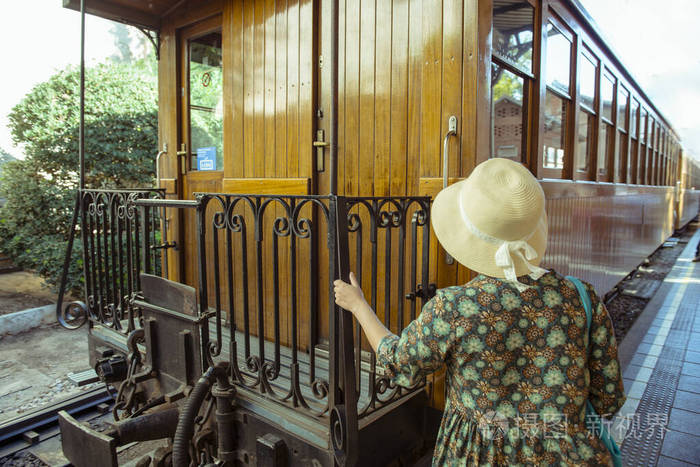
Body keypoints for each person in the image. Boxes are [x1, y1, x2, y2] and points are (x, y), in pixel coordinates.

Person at [334, 158, 626, 466]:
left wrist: (358, 305)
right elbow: (608, 400)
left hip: (479, 455)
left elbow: (398, 363)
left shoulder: (456, 307)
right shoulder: (582, 297)